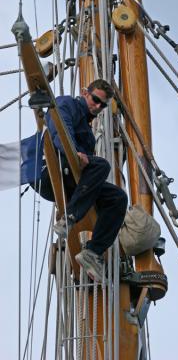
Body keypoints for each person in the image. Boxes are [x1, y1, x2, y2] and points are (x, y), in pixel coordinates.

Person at [37, 79, 128, 282]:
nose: (97, 107)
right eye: (95, 100)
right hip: (52, 171)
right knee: (102, 165)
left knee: (118, 198)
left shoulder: (88, 133)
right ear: (85, 92)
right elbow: (59, 127)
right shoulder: (66, 103)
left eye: (102, 105)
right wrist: (74, 150)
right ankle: (68, 219)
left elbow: (87, 174)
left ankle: (92, 252)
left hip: (73, 181)